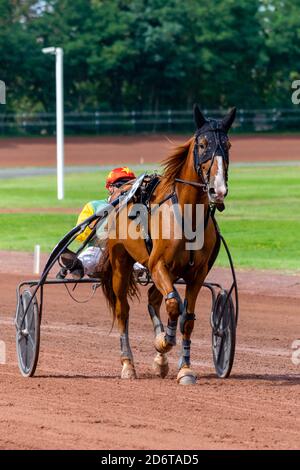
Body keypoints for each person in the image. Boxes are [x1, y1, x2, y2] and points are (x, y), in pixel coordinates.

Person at [60, 167, 144, 279]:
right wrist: (94, 223)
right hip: (98, 249)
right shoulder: (94, 206)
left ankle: (137, 269)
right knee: (88, 260)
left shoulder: (138, 207)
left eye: (131, 186)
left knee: (144, 259)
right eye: (121, 185)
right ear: (110, 188)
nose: (126, 190)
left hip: (128, 251)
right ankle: (77, 266)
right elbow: (80, 236)